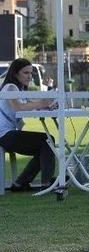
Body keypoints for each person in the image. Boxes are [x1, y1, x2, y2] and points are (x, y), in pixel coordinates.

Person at [0, 58, 56, 192]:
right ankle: (46, 183)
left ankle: (20, 183)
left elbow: (31, 105)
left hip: (8, 134)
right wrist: (41, 104)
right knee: (48, 140)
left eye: (31, 73)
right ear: (15, 74)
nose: (30, 76)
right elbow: (18, 107)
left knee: (45, 145)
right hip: (5, 135)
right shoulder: (10, 88)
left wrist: (45, 105)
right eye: (26, 73)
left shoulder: (19, 89)